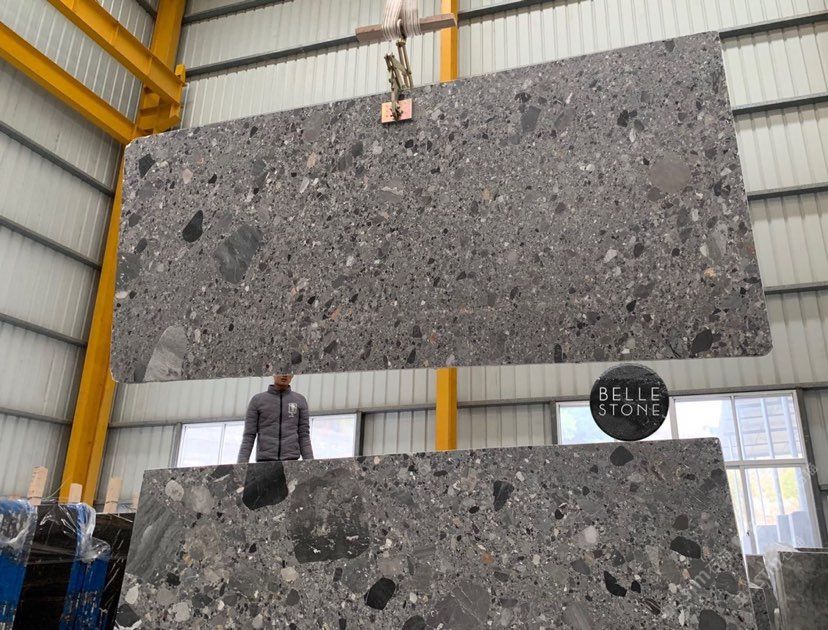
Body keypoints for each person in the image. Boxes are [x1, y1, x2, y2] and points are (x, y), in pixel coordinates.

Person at [237, 373, 314, 463]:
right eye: (280, 372)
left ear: (293, 375)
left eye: (288, 372)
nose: (284, 375)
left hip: (292, 462)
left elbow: (304, 435)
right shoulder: (257, 400)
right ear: (273, 374)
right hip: (265, 462)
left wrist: (310, 464)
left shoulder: (300, 400)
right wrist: (241, 464)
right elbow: (249, 435)